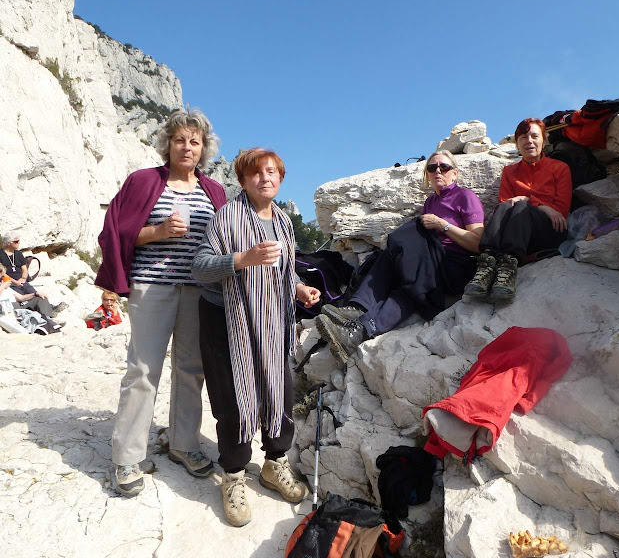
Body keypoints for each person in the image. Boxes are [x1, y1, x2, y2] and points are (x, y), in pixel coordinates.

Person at [94, 109, 227, 497]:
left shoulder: (213, 191)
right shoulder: (143, 181)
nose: (187, 147)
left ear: (204, 149)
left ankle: (183, 444)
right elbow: (118, 234)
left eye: (195, 141)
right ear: (168, 144)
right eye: (180, 140)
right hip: (152, 288)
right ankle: (127, 457)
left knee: (191, 368)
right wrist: (158, 231)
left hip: (198, 290)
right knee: (143, 369)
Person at [192, 148, 320, 527]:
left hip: (271, 322)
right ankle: (233, 475)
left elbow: (284, 271)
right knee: (232, 398)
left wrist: (298, 289)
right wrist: (240, 260)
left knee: (280, 390)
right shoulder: (225, 218)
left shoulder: (282, 221)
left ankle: (274, 464)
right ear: (243, 180)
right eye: (256, 173)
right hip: (225, 321)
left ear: (280, 178)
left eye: (272, 172)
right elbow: (200, 267)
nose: (265, 178)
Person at [316, 150, 485, 362]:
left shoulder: (465, 197)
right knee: (404, 279)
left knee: (406, 238)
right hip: (429, 267)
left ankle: (357, 312)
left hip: (453, 264)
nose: (438, 171)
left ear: (455, 173)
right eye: (432, 168)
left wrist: (443, 225)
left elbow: (477, 243)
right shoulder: (431, 202)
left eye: (444, 167)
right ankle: (359, 328)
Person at [464, 117, 572, 302]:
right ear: (517, 143)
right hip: (519, 233)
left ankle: (507, 270)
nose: (529, 141)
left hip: (551, 230)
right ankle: (487, 262)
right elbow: (505, 204)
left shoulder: (559, 168)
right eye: (523, 137)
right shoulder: (510, 171)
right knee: (507, 206)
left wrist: (529, 200)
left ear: (543, 140)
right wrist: (535, 203)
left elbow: (560, 211)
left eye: (534, 136)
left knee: (520, 205)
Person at [0, 232, 65, 318]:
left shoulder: (18, 254)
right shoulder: (1, 254)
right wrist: (15, 282)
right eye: (16, 241)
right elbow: (2, 272)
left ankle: (50, 309)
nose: (18, 243)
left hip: (22, 281)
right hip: (9, 282)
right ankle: (41, 311)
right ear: (8, 243)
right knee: (23, 298)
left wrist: (23, 278)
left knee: (36, 293)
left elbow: (24, 269)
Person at [0, 264, 61, 333]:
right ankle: (48, 324)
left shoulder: (5, 286)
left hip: (19, 305)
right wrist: (3, 286)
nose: (2, 276)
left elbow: (21, 297)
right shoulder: (3, 286)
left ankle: (48, 319)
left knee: (40, 298)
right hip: (8, 308)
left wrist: (35, 294)